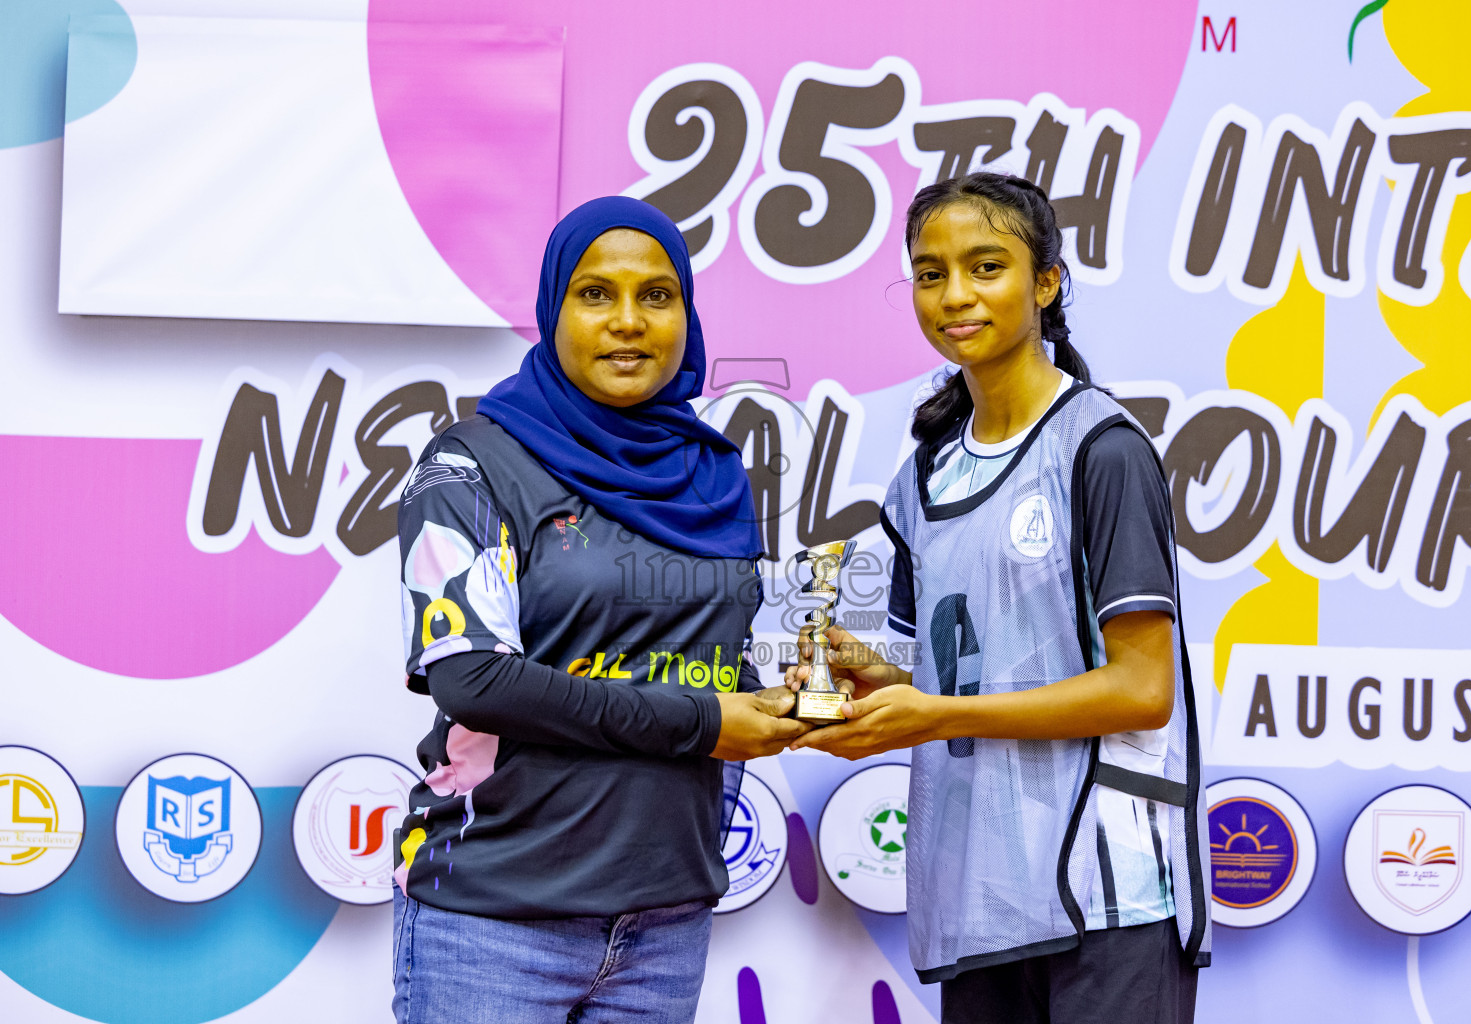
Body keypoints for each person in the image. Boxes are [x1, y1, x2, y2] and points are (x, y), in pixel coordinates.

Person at [786, 172, 1211, 1024]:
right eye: (930, 272)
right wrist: (861, 677)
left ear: (1046, 282)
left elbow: (1142, 690)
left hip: (1109, 895)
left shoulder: (1102, 448)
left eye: (987, 267)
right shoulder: (925, 474)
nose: (955, 295)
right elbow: (942, 675)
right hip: (980, 893)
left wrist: (936, 715)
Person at [392, 196, 808, 1024]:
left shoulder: (712, 476)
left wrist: (791, 690)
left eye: (657, 295)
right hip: (495, 916)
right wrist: (704, 721)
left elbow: (699, 663)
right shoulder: (470, 466)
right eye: (596, 294)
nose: (629, 321)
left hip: (666, 918)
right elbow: (475, 682)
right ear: (553, 311)